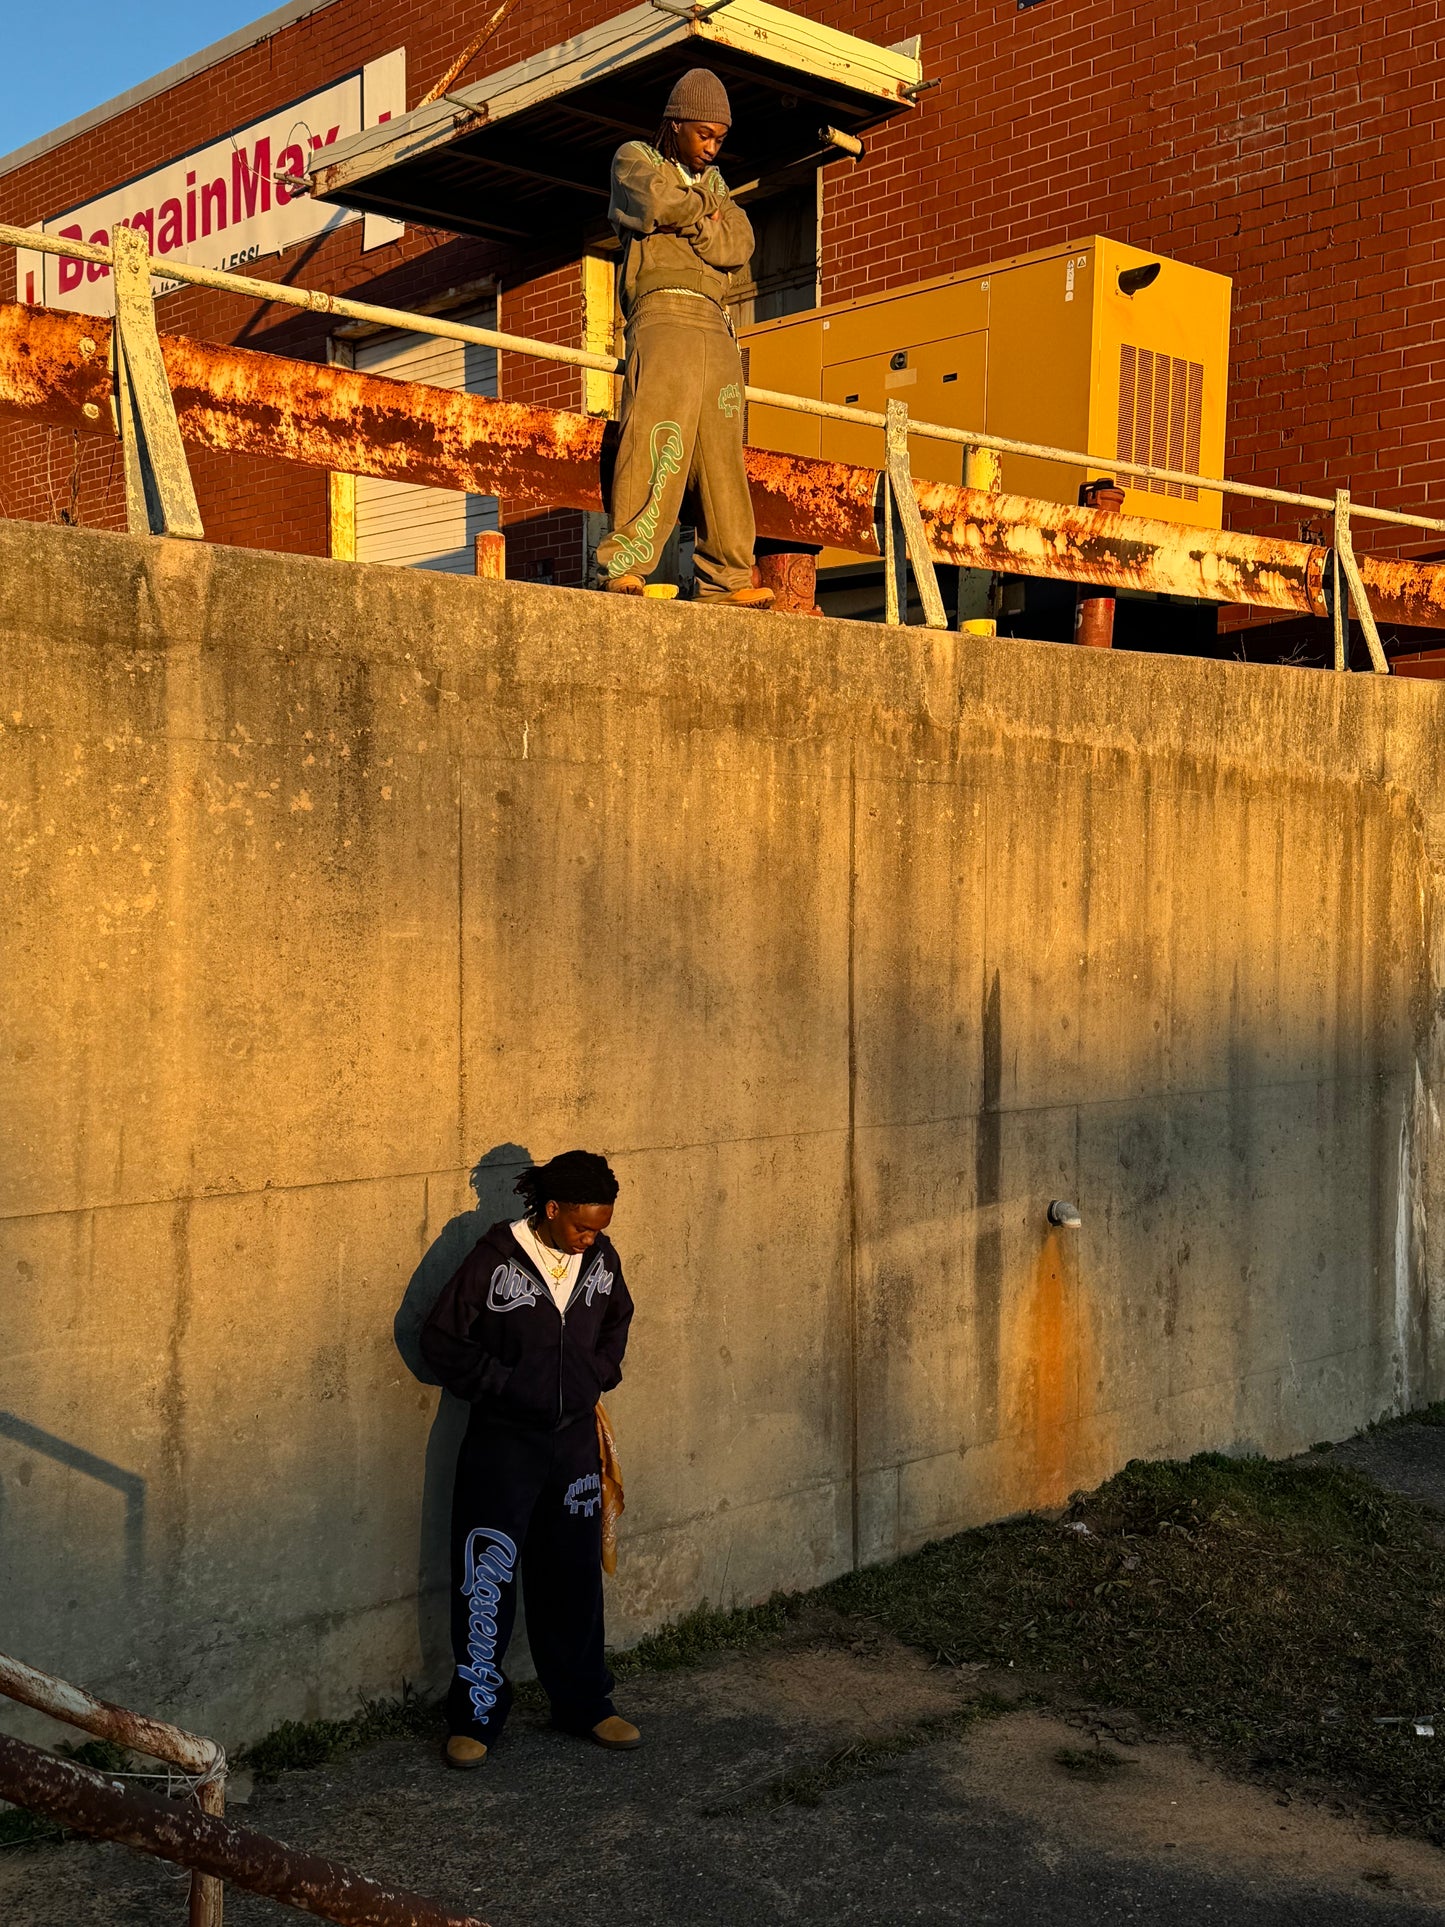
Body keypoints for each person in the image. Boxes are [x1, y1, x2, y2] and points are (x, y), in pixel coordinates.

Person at [420, 1149, 637, 1769]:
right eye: (582, 1226)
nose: (591, 1238)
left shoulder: (601, 1259)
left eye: (600, 1227)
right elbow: (441, 1340)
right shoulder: (494, 1260)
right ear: (552, 1208)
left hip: (573, 1445)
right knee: (486, 1575)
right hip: (503, 1444)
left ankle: (584, 1704)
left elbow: (617, 1320)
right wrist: (506, 1385)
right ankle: (476, 1716)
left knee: (573, 1575)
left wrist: (596, 1375)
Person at [596, 68, 774, 609]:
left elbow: (739, 243)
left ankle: (728, 579)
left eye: (720, 138)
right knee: (654, 436)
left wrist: (688, 217)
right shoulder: (635, 158)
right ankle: (625, 565)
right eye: (704, 134)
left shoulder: (718, 185)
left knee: (722, 456)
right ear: (675, 125)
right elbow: (654, 202)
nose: (712, 148)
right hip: (661, 314)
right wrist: (703, 216)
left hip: (715, 326)